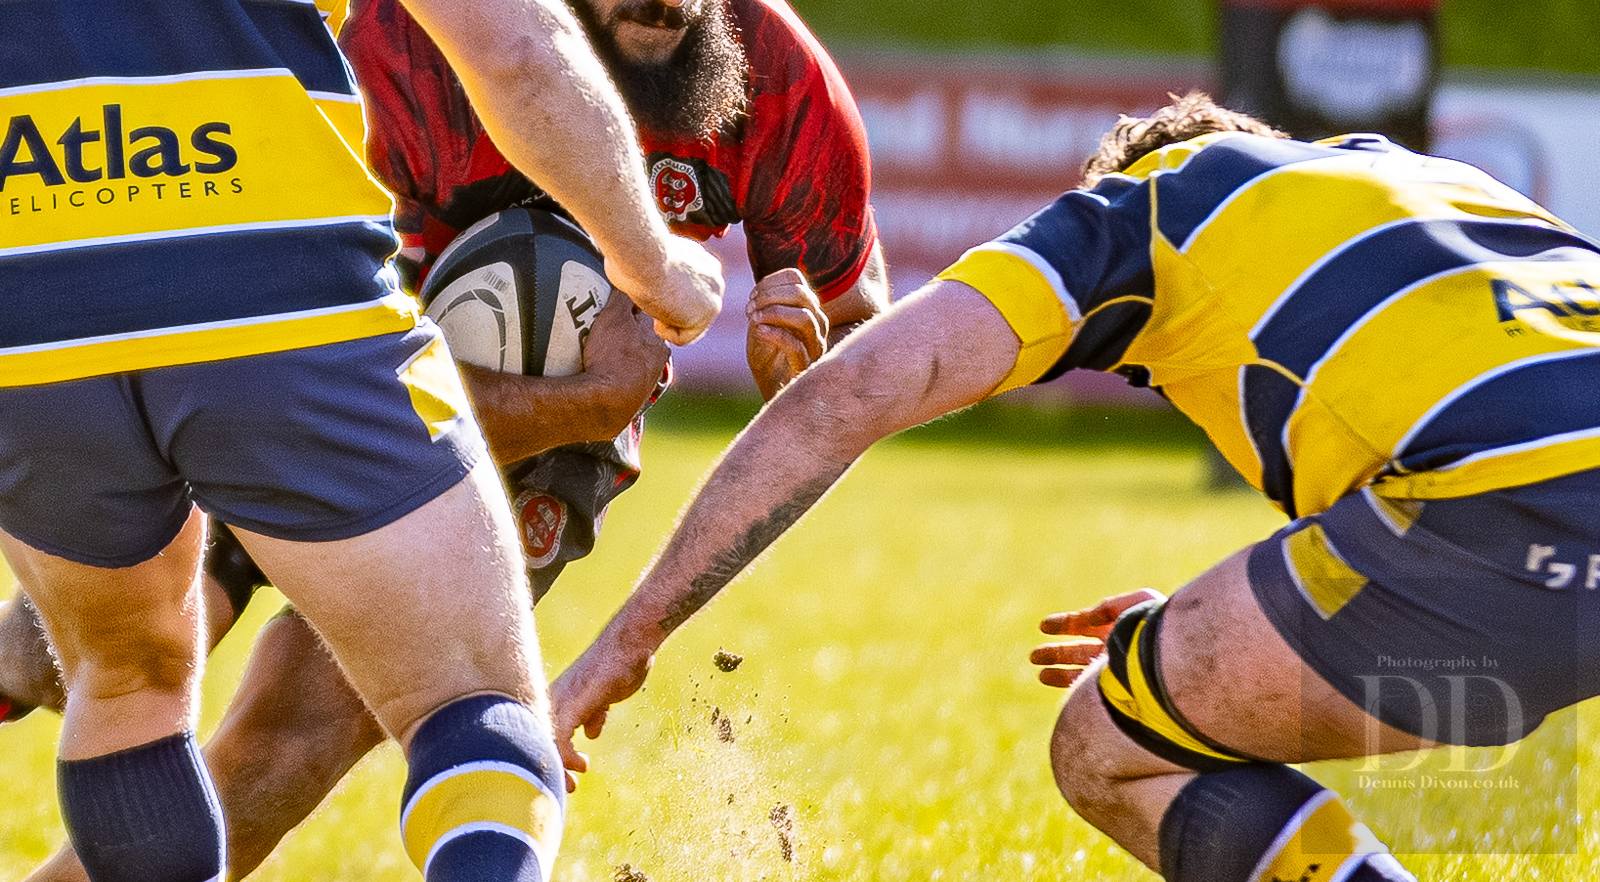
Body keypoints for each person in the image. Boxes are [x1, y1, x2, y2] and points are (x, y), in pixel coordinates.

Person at [6, 0, 883, 880]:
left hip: (552, 448)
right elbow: (309, 329)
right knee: (64, 651)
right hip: (325, 364)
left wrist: (798, 358)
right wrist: (586, 398)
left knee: (289, 744)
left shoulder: (775, 77)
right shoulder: (396, 38)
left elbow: (863, 342)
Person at [551, 91, 1600, 882]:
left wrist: (631, 634)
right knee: (1173, 696)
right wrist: (1208, 632)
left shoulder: (1142, 208)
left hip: (1493, 510)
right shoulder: (1422, 182)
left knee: (1108, 744)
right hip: (1523, 507)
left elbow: (854, 391)